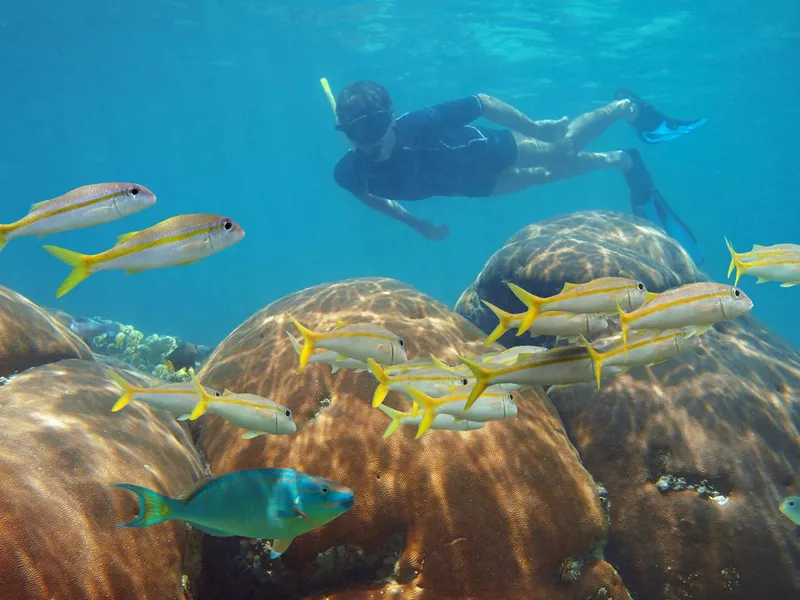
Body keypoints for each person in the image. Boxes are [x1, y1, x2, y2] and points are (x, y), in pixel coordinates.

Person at [331, 81, 707, 262]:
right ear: (345, 133)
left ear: (391, 115)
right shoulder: (352, 172)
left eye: (376, 125)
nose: (370, 140)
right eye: (356, 132)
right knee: (549, 175)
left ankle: (626, 106)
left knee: (562, 148)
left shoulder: (418, 124)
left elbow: (483, 102)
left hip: (487, 149)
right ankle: (622, 159)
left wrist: (535, 129)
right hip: (474, 185)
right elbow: (372, 198)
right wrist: (418, 225)